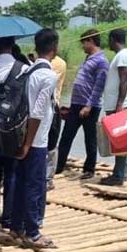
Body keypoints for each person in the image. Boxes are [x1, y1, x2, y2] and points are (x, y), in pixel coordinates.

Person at [9, 28, 59, 248]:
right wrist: (29, 143)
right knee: (35, 186)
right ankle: (33, 232)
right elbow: (38, 112)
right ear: (54, 49)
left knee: (20, 183)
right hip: (35, 140)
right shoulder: (48, 75)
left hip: (20, 136)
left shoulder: (26, 72)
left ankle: (16, 226)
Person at [55, 29, 109, 179]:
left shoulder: (101, 61)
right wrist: (72, 106)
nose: (82, 46)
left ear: (90, 41)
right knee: (66, 136)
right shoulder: (88, 58)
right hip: (77, 104)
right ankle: (58, 166)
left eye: (84, 43)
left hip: (89, 106)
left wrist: (89, 106)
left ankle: (89, 169)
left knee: (90, 137)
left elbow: (99, 87)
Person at [0, 36, 24, 228]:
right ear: (13, 44)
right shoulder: (23, 69)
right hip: (13, 132)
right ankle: (8, 218)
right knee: (12, 175)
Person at [99, 28, 127, 186]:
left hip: (118, 106)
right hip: (115, 104)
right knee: (122, 141)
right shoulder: (121, 56)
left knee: (120, 142)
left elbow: (124, 80)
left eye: (109, 40)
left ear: (113, 40)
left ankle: (119, 175)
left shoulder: (123, 56)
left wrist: (119, 105)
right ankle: (121, 173)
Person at [45, 53, 67, 189]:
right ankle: (46, 177)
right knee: (49, 142)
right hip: (50, 107)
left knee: (51, 143)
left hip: (52, 107)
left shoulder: (57, 64)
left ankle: (47, 178)